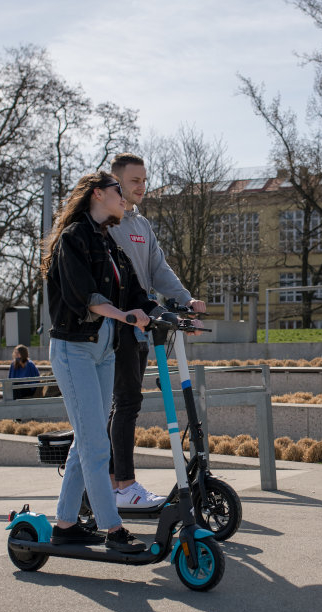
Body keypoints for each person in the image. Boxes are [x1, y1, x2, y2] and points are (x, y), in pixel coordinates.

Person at [41, 170, 157, 552]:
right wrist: (125, 316)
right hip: (74, 350)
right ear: (96, 195)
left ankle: (65, 524)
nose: (124, 199)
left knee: (85, 443)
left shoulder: (109, 244)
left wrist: (174, 314)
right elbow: (84, 296)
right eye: (117, 192)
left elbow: (137, 292)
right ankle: (112, 529)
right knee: (96, 445)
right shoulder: (73, 240)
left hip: (104, 352)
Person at [106, 152, 206, 509]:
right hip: (115, 327)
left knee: (126, 403)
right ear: (115, 182)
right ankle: (122, 486)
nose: (141, 186)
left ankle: (111, 482)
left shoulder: (142, 226)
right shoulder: (106, 224)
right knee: (126, 402)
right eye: (134, 181)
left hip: (142, 326)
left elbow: (159, 269)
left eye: (144, 180)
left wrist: (186, 299)